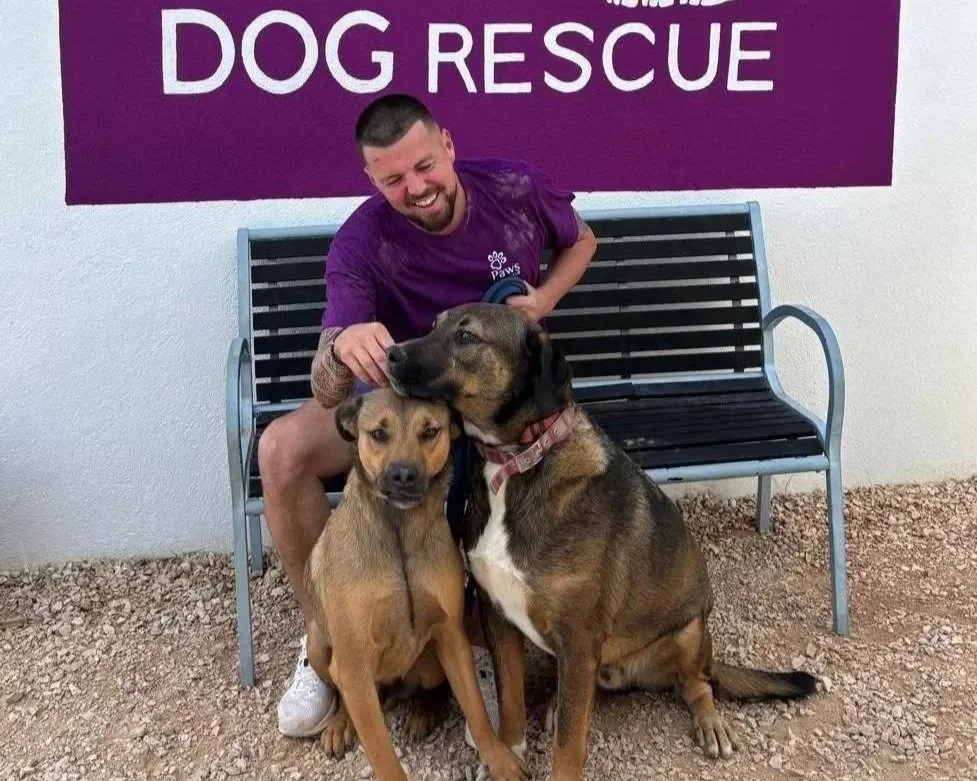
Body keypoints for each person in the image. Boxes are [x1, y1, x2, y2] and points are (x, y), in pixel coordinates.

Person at [257, 92, 598, 738]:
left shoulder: (513, 188)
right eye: (392, 179)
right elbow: (327, 382)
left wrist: (544, 297)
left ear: (446, 144)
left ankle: (524, 635)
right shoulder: (362, 241)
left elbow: (581, 239)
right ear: (371, 179)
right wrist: (341, 348)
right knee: (281, 449)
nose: (414, 188)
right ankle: (323, 641)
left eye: (422, 167)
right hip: (407, 402)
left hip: (503, 401)